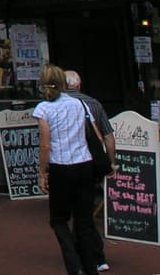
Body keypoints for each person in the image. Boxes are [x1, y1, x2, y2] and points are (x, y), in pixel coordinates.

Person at [34, 63, 108, 275]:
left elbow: (46, 144)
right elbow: (95, 133)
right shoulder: (79, 104)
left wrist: (43, 172)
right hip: (84, 164)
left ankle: (73, 264)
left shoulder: (43, 109)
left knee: (58, 219)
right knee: (84, 221)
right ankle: (90, 267)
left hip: (61, 166)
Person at [65, 70, 115, 273]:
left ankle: (88, 255)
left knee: (75, 213)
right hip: (92, 162)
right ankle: (94, 254)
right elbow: (108, 135)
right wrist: (111, 162)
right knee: (84, 209)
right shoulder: (93, 103)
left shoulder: (55, 106)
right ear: (79, 84)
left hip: (68, 162)